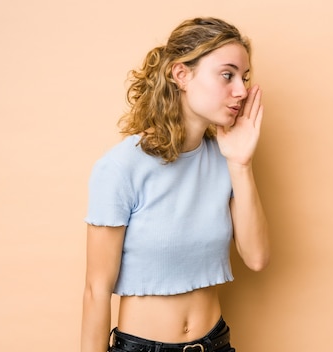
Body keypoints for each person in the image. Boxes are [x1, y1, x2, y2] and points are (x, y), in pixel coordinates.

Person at [80, 17, 270, 352]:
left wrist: (241, 164)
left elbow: (256, 257)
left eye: (244, 78)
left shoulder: (226, 159)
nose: (240, 90)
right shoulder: (121, 167)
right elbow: (96, 289)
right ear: (181, 75)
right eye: (227, 75)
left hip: (215, 344)